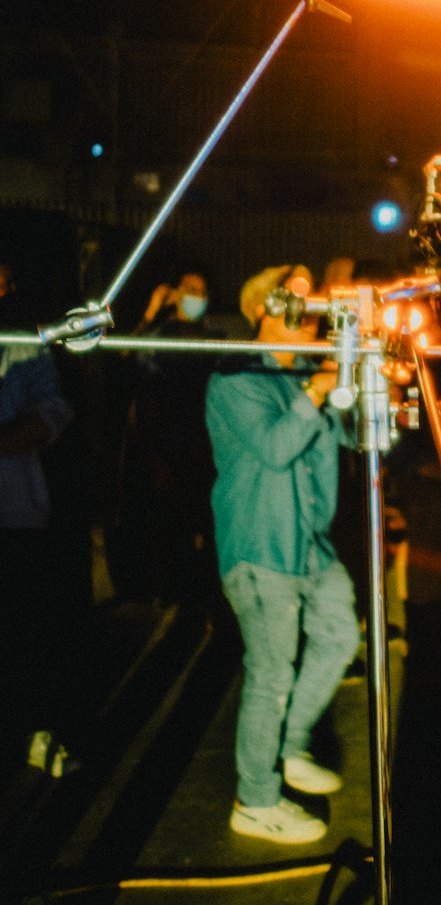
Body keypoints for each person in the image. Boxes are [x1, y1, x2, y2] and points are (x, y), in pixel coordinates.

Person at [206, 265, 361, 843]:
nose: (313, 309)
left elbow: (352, 441)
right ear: (263, 309)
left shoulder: (303, 374)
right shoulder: (237, 376)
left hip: (310, 546)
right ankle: (255, 800)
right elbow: (274, 449)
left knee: (340, 636)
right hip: (261, 545)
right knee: (270, 673)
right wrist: (319, 387)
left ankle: (288, 746)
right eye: (298, 299)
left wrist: (374, 392)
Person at [0, 262, 75, 776]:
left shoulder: (25, 343)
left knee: (21, 631)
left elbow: (52, 412)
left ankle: (34, 736)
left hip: (14, 508)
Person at [113, 270, 219, 604]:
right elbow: (126, 360)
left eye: (202, 291)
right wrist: (149, 313)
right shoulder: (160, 335)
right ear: (174, 294)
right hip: (167, 440)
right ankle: (168, 589)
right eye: (190, 289)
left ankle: (198, 592)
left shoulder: (211, 338)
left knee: (200, 520)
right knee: (167, 521)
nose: (197, 296)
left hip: (203, 441)